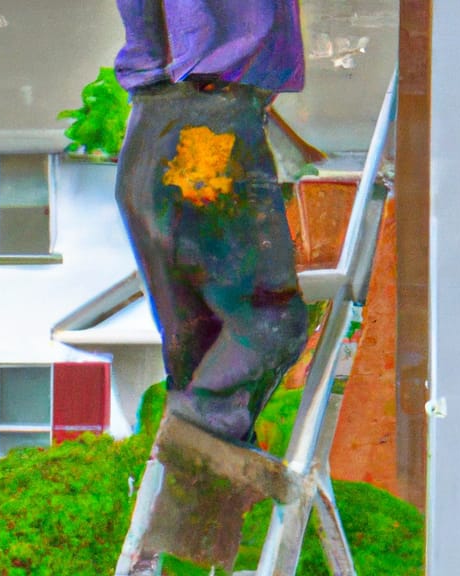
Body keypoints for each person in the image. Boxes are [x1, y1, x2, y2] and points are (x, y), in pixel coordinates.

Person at [113, 0, 309, 443]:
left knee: (201, 351)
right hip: (208, 133)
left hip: (151, 134)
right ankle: (188, 481)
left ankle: (192, 487)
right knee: (269, 323)